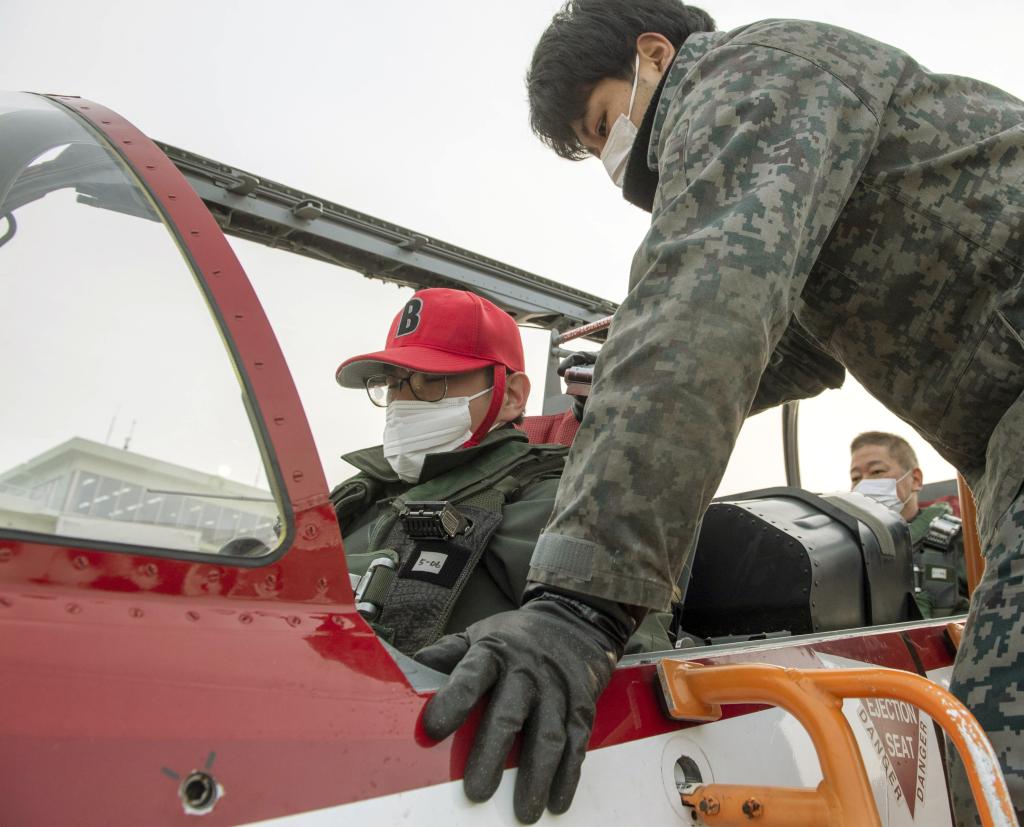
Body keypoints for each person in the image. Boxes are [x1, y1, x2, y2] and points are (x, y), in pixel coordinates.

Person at [414, 2, 1024, 825]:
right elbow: (791, 344)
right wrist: (630, 362)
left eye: (603, 125)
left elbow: (706, 310)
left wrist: (580, 604)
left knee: (1002, 768)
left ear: (655, 55)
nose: (612, 164)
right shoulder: (800, 133)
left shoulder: (748, 76)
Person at [331, 287, 673, 657]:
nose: (401, 402)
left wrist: (514, 654)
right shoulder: (356, 497)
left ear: (511, 395)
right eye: (392, 383)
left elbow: (637, 658)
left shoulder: (558, 509)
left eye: (429, 381)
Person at [850, 431, 969, 618]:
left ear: (915, 479)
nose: (863, 484)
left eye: (877, 471)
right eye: (856, 477)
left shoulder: (963, 540)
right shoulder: (850, 549)